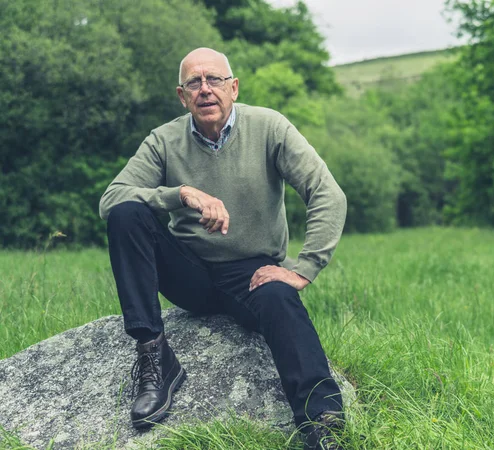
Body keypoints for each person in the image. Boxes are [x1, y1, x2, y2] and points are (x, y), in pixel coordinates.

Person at [99, 48, 347, 450]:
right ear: (182, 96)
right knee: (128, 213)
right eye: (194, 83)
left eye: (213, 79)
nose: (205, 89)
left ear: (233, 87)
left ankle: (324, 426)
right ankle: (154, 357)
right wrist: (181, 194)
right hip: (189, 272)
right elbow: (111, 201)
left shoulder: (269, 127)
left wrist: (304, 268)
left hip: (253, 273)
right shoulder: (163, 140)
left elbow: (327, 194)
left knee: (282, 298)